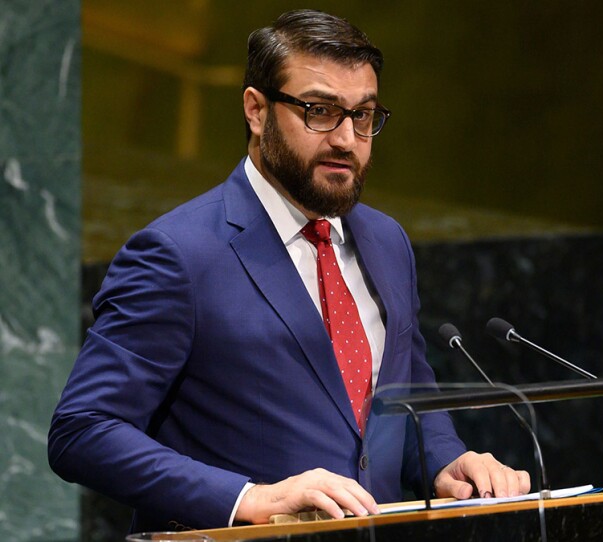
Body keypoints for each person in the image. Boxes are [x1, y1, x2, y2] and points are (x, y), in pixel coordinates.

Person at [48, 9, 529, 532]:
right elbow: (83, 430)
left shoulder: (387, 241)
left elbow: (404, 394)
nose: (346, 138)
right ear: (256, 110)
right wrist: (248, 498)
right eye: (319, 111)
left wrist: (444, 463)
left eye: (363, 116)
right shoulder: (179, 254)